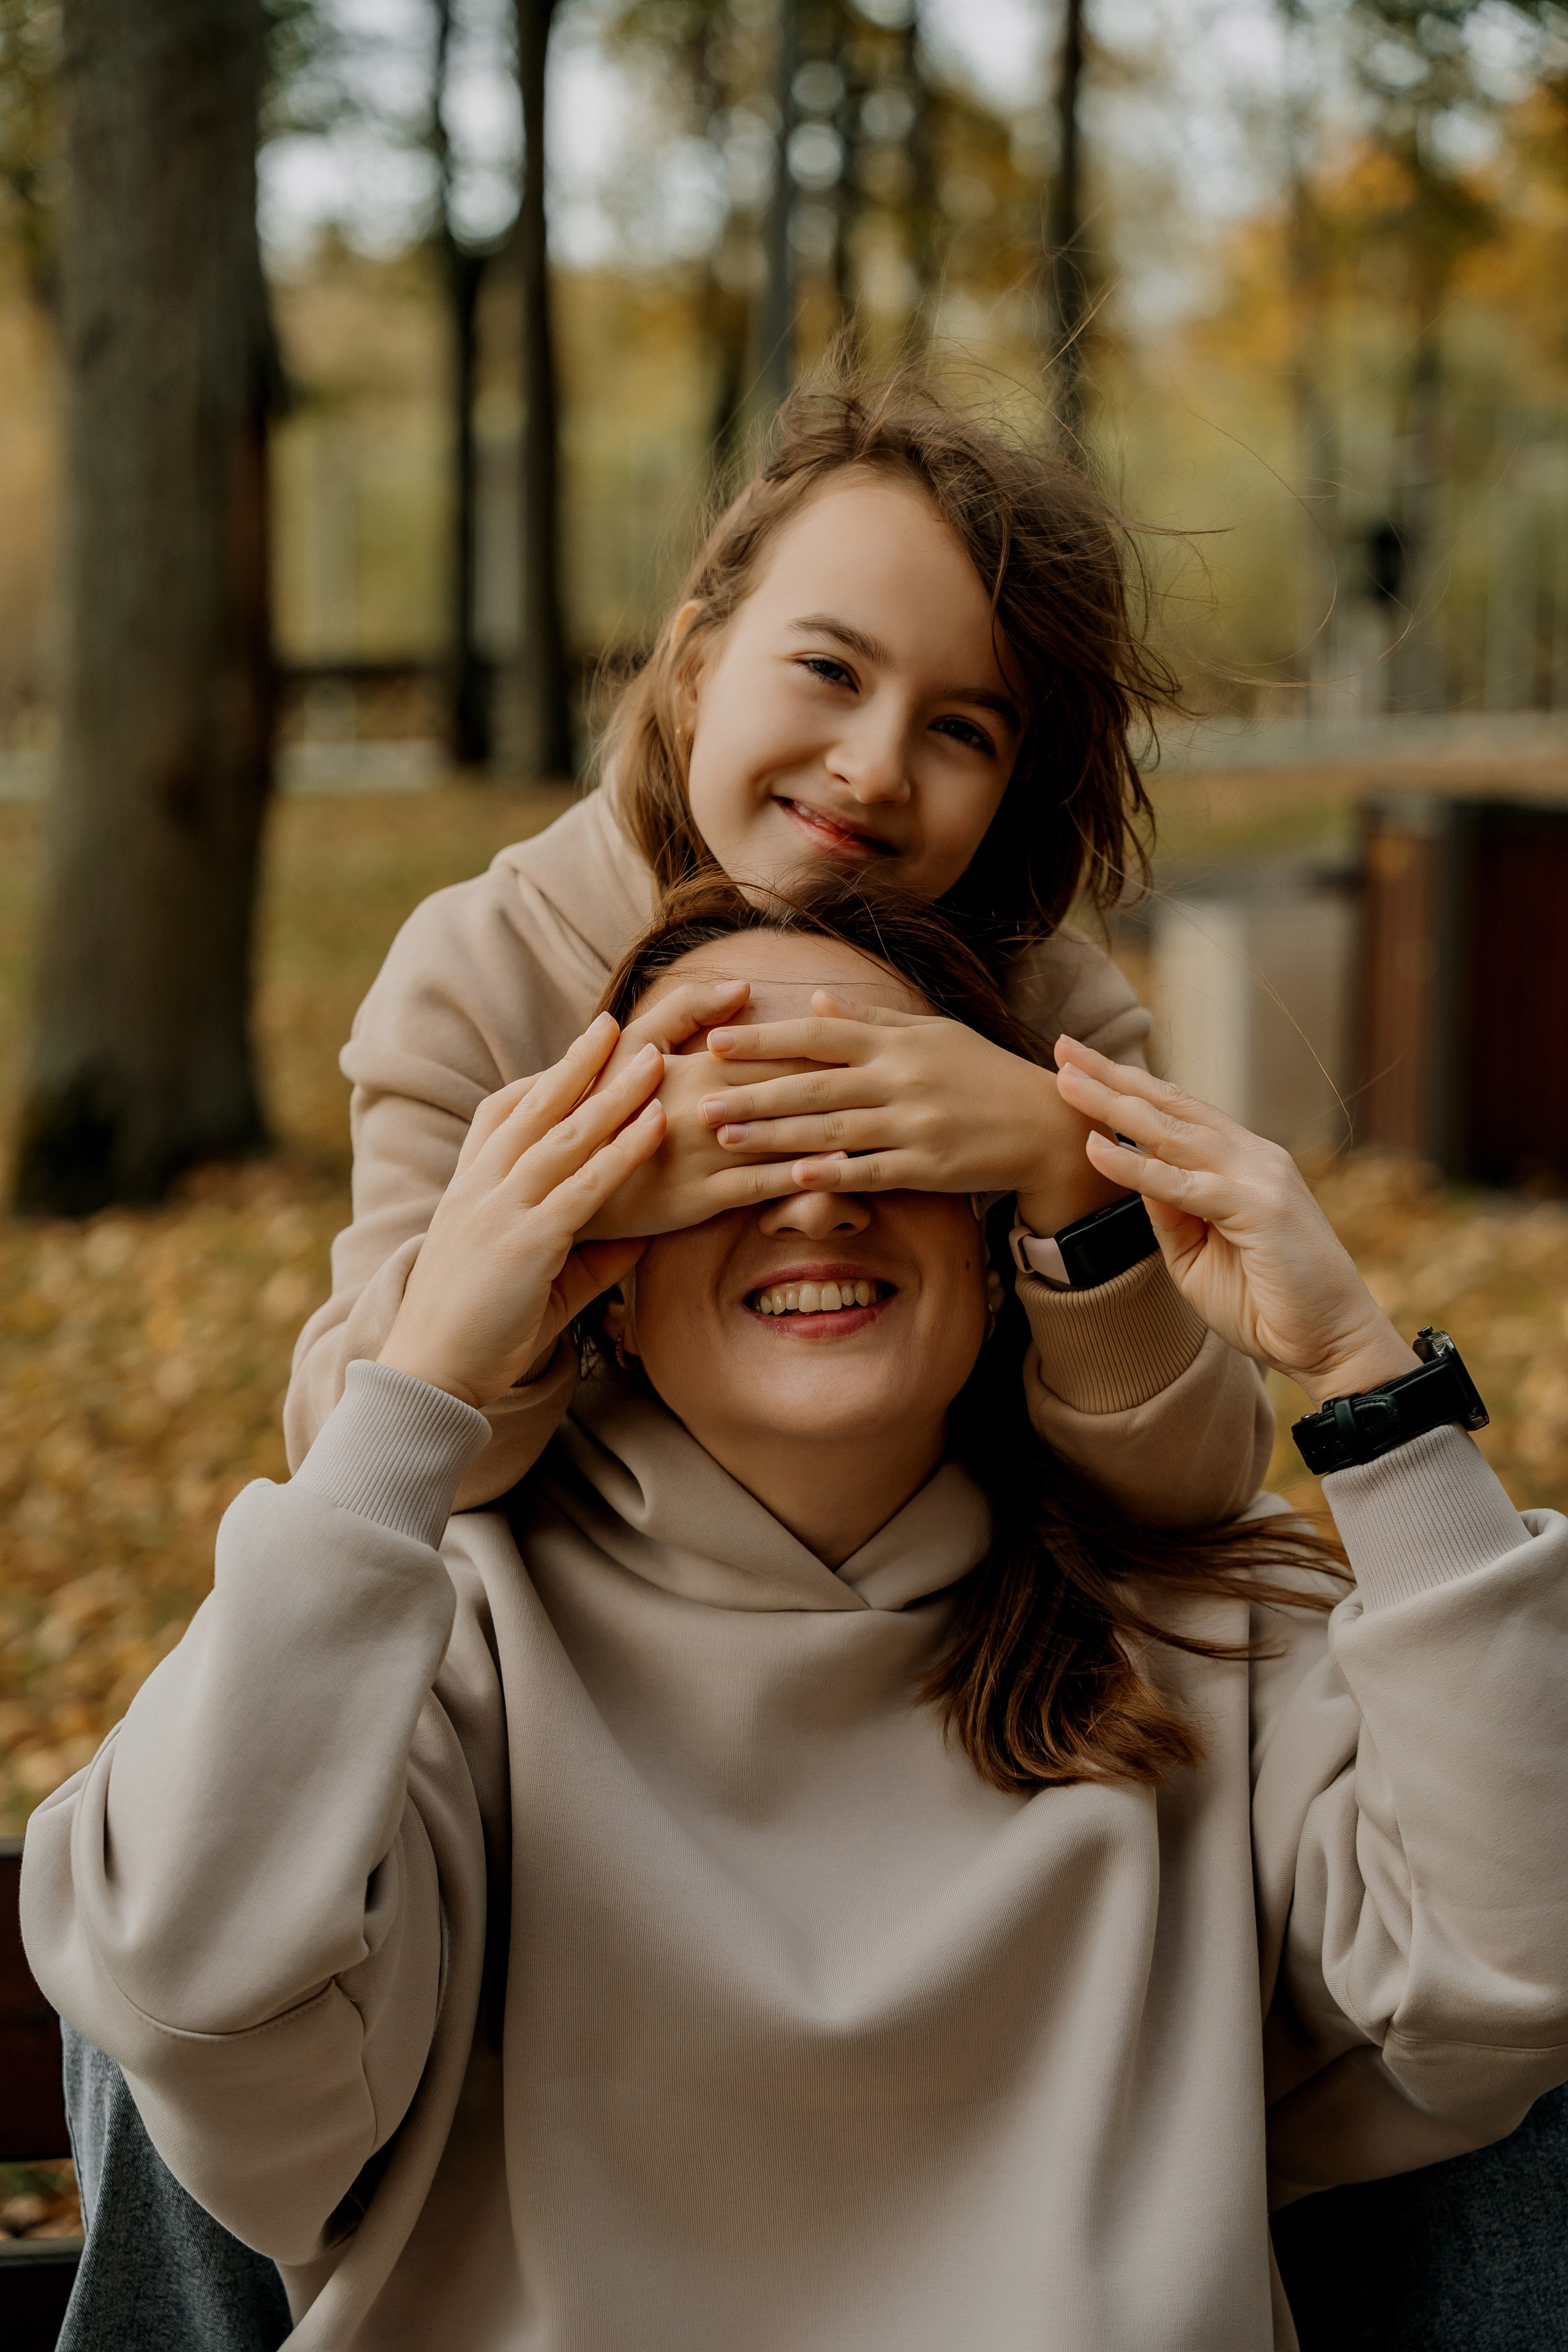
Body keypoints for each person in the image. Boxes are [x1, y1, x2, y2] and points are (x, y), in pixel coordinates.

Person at [23, 883, 1568, 2352]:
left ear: (986, 1241)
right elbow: (192, 1979)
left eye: (880, 1125)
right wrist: (415, 1387)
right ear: (592, 1276)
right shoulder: (427, 1649)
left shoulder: (1199, 1634)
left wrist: (1370, 1383)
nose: (818, 1190)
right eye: (728, 1143)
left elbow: (1518, 1973)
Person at [282, 368, 1272, 1530]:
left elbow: (1197, 1483)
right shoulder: (482, 972)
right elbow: (344, 1462)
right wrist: (570, 1207)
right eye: (830, 671)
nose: (874, 766)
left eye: (962, 728)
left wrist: (1066, 1176)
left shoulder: (1056, 1016)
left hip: (957, 1659)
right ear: (696, 670)